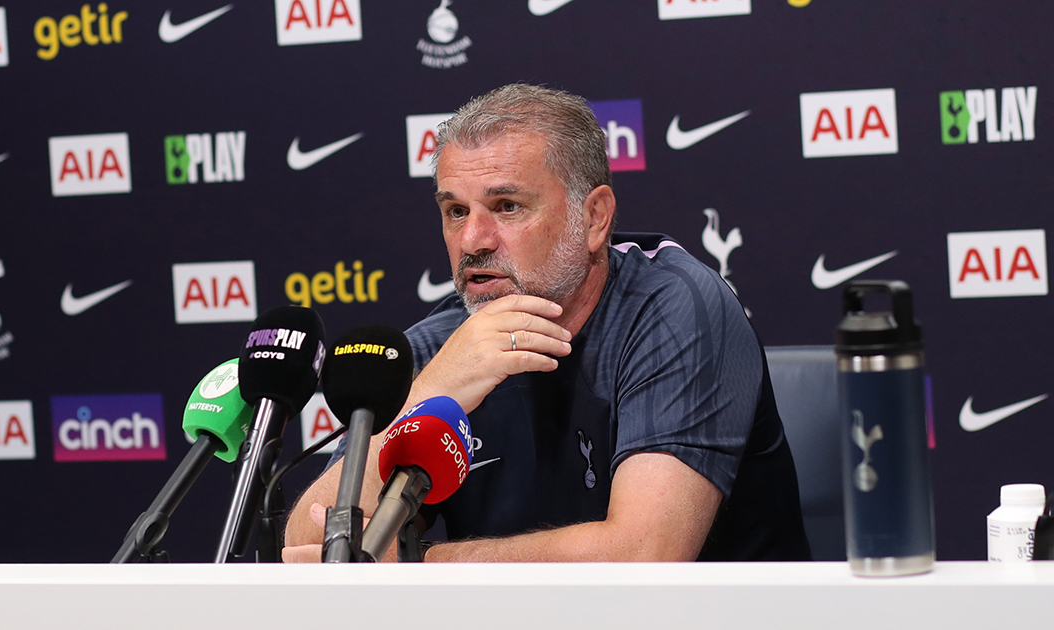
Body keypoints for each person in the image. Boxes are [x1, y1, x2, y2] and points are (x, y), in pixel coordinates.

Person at [284, 84, 810, 562]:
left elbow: (644, 556)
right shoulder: (449, 342)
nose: (473, 240)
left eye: (507, 206)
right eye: (456, 211)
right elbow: (312, 543)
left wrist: (423, 565)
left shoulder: (675, 309)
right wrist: (434, 388)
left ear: (594, 218)